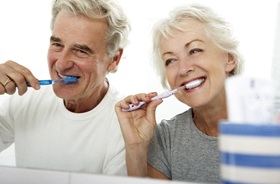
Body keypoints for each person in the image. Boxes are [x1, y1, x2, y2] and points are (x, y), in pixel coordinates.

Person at [115, 4, 244, 183]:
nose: (183, 69)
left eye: (195, 50)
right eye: (170, 60)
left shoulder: (270, 124)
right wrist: (136, 148)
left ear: (229, 59)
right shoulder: (165, 137)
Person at [0, 0, 130, 175]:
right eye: (57, 45)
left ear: (114, 59)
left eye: (81, 51)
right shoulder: (27, 100)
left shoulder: (127, 127)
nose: (61, 64)